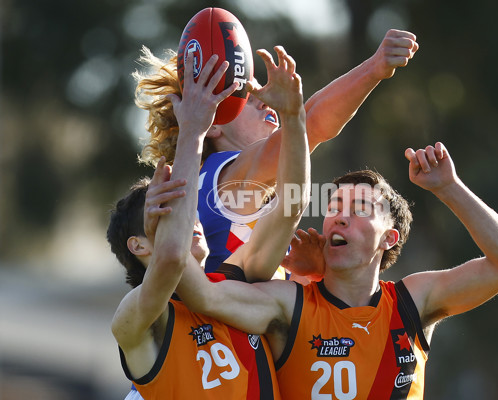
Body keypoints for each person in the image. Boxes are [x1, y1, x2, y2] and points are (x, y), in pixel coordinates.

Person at [173, 142, 498, 399]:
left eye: (360, 207)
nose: (340, 216)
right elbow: (202, 295)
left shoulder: (412, 302)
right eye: (334, 206)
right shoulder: (288, 303)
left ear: (388, 238)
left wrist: (449, 188)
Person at [108, 44, 310, 399]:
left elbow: (291, 208)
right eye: (167, 211)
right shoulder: (137, 318)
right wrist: (194, 129)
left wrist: (294, 118)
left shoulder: (236, 287)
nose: (191, 219)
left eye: (186, 209)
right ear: (140, 243)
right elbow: (170, 258)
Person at [134, 29, 419, 275]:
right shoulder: (229, 172)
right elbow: (314, 122)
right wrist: (375, 67)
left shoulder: (214, 183)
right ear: (213, 124)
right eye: (245, 98)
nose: (262, 102)